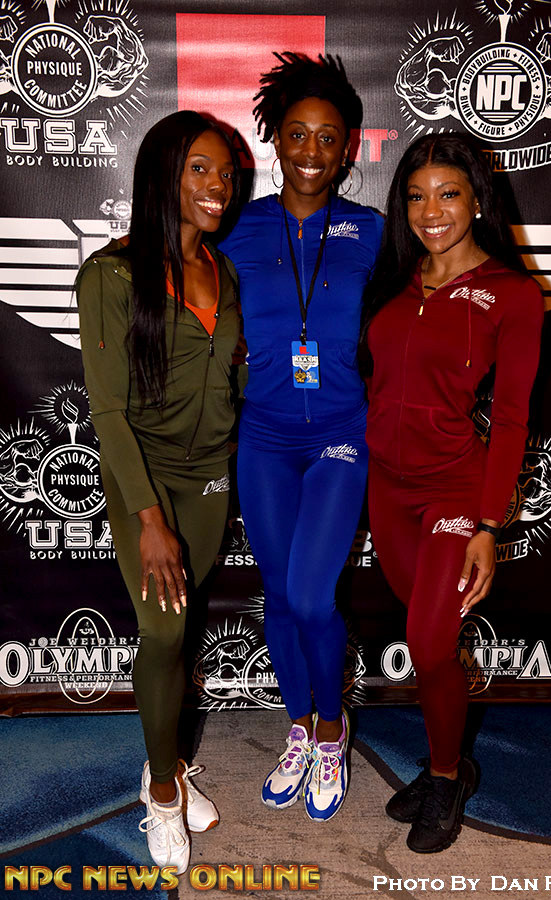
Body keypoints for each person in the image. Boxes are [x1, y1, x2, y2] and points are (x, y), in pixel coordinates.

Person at [361, 132, 544, 853]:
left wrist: (489, 525)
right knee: (429, 644)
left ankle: (446, 776)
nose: (429, 211)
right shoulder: (394, 279)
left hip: (453, 489)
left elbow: (513, 416)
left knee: (431, 640)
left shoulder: (512, 293)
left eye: (447, 194)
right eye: (415, 196)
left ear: (477, 201)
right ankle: (449, 761)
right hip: (386, 487)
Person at [76, 111, 241, 873]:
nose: (218, 186)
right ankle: (165, 792)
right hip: (144, 479)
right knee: (166, 633)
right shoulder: (110, 275)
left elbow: (230, 372)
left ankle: (162, 758)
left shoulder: (223, 269)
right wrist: (148, 518)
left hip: (210, 477)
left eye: (226, 173)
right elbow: (108, 410)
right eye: (199, 169)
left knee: (184, 626)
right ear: (162, 176)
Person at [220, 52, 383, 821]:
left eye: (327, 137)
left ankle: (330, 729)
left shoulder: (373, 231)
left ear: (348, 148)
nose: (311, 151)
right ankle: (297, 727)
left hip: (341, 435)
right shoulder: (238, 228)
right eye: (296, 134)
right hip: (264, 436)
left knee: (315, 597)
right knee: (281, 596)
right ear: (275, 141)